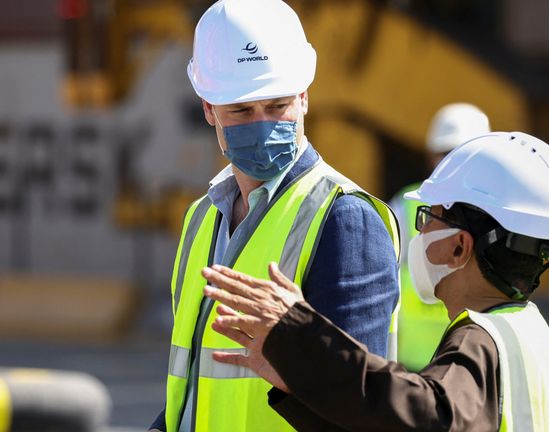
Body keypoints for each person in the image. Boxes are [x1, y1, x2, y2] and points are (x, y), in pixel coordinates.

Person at [202, 131, 549, 431]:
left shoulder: (481, 343)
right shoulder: (531, 339)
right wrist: (301, 386)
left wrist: (303, 342)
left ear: (459, 247)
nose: (419, 235)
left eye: (428, 218)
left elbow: (422, 416)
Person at [148, 1, 400, 431]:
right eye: (242, 111)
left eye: (278, 105)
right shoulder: (202, 217)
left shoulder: (344, 219)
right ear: (209, 109)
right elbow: (190, 386)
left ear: (304, 96)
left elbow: (360, 409)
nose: (262, 124)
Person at [391, 103, 490, 371]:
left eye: (461, 154)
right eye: (445, 153)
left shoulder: (496, 212)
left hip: (472, 357)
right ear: (430, 156)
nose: (451, 163)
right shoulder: (406, 204)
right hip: (413, 362)